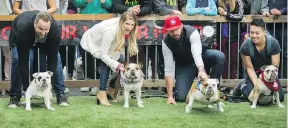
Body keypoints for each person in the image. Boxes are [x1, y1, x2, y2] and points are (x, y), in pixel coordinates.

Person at [8, 11, 69, 108]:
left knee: (57, 58)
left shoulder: (55, 29)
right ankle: (15, 96)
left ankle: (60, 94)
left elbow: (52, 59)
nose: (43, 32)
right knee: (17, 59)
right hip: (20, 37)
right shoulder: (23, 28)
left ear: (50, 25)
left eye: (46, 29)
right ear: (34, 23)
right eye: (40, 28)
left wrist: (49, 86)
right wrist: (27, 88)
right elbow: (24, 61)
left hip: (44, 41)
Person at [80, 11, 139, 106]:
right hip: (91, 42)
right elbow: (103, 55)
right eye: (127, 24)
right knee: (106, 62)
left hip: (105, 44)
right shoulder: (110, 31)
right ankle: (102, 93)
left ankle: (110, 89)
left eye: (132, 24)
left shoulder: (125, 28)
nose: (129, 27)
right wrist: (117, 65)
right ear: (121, 22)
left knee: (121, 59)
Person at [162, 15, 225, 104]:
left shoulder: (191, 32)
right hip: (185, 64)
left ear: (181, 26)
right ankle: (194, 86)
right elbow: (169, 68)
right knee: (181, 97)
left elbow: (197, 54)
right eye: (172, 31)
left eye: (177, 29)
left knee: (219, 56)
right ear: (167, 31)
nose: (175, 32)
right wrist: (169, 96)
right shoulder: (165, 41)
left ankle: (214, 92)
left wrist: (201, 70)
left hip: (201, 57)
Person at [233, 18, 284, 102]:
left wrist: (267, 82)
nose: (254, 36)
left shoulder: (274, 43)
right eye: (251, 32)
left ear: (264, 32)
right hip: (254, 74)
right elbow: (249, 68)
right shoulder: (245, 46)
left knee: (280, 97)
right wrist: (257, 85)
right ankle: (242, 86)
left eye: (257, 33)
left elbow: (275, 66)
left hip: (269, 74)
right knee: (254, 98)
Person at [218, 0, 243, 79]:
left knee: (233, 60)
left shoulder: (238, 2)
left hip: (233, 35)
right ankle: (225, 82)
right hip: (222, 35)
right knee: (223, 61)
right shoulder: (219, 2)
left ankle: (232, 83)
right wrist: (218, 11)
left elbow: (240, 15)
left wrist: (225, 14)